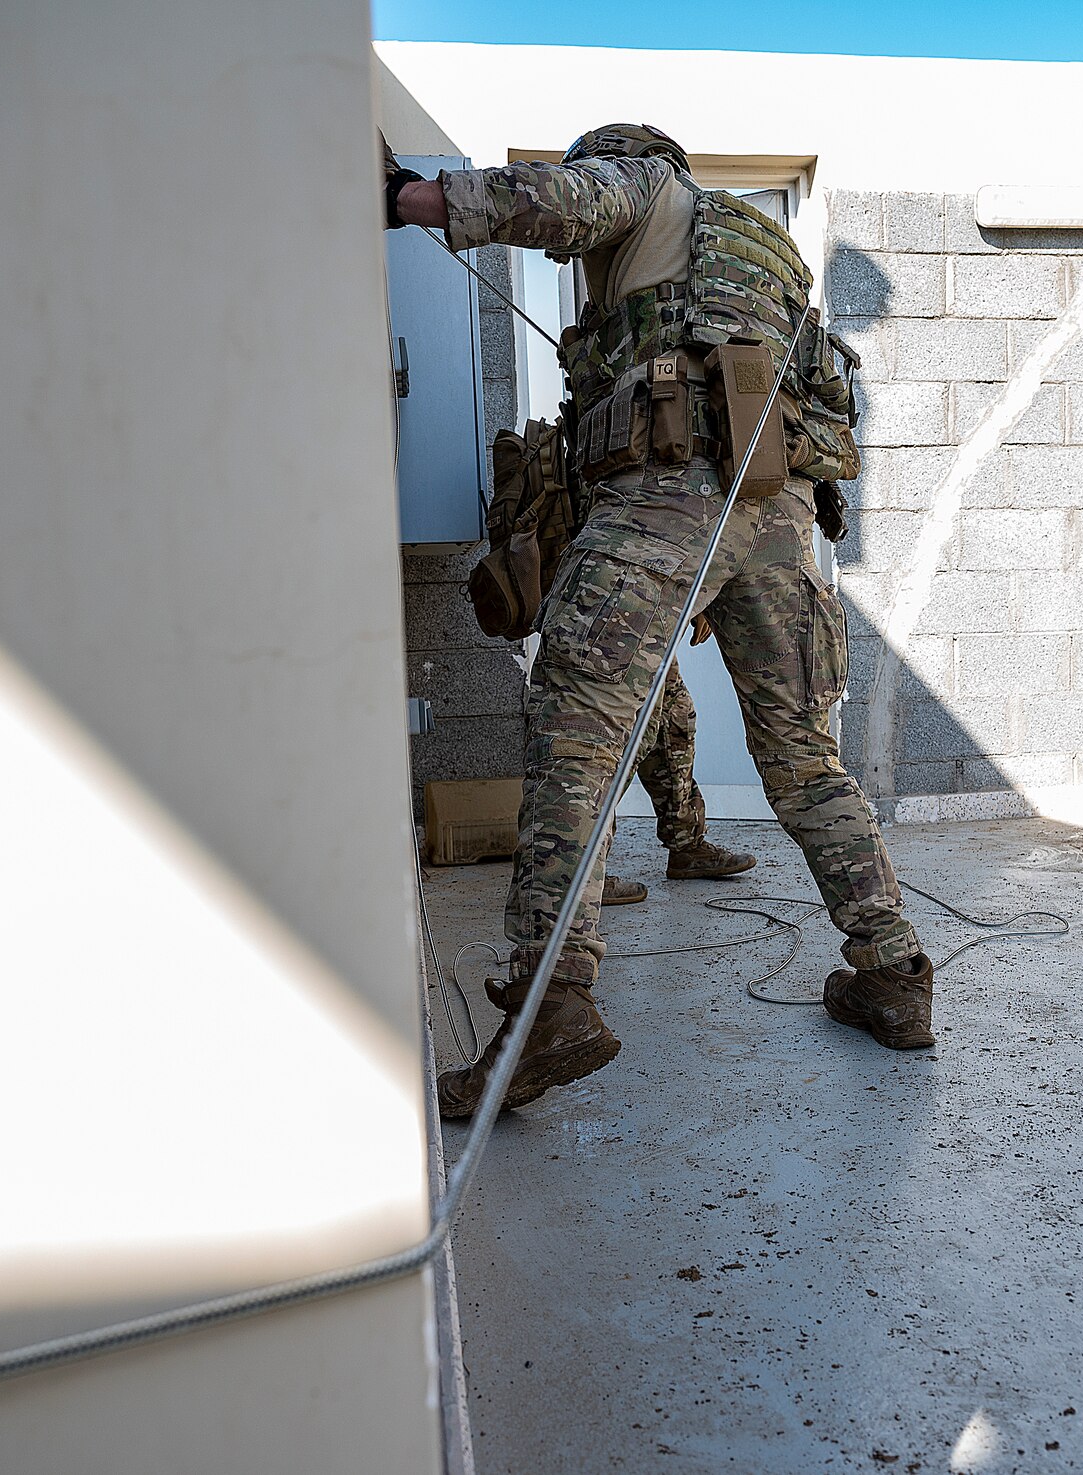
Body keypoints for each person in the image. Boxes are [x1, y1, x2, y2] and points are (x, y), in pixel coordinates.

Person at [385, 124, 935, 1118]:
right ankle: (894, 972)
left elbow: (556, 202)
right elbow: (829, 395)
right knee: (805, 756)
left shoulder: (647, 185)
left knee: (577, 734)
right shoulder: (771, 263)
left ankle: (551, 1003)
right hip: (777, 514)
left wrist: (410, 200)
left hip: (662, 495)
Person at [597, 662, 757, 909]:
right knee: (610, 732)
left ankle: (686, 844)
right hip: (606, 639)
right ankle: (575, 869)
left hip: (652, 635)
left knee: (671, 714)